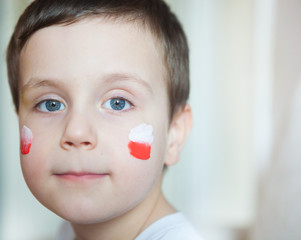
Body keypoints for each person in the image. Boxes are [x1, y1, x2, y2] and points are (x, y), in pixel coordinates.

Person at [6, 0, 202, 239]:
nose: (76, 132)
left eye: (117, 103)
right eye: (51, 104)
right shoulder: (67, 232)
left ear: (174, 134)